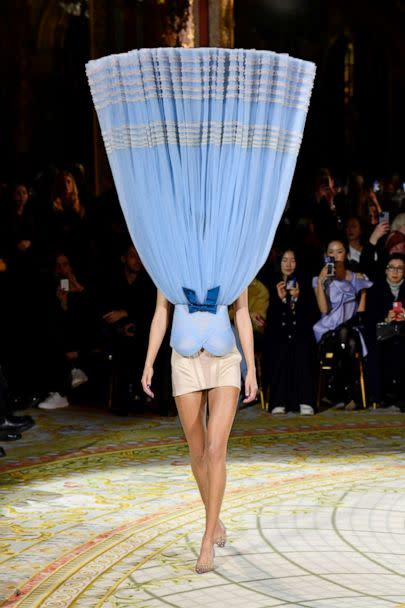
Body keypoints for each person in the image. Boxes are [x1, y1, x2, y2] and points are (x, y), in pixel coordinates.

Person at [141, 288, 257, 573]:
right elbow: (161, 312)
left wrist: (251, 368)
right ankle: (214, 517)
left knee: (217, 450)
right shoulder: (174, 262)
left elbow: (241, 312)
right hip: (184, 359)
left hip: (225, 358)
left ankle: (207, 539)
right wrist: (148, 362)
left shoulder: (227, 263)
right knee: (199, 452)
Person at [313, 240, 372, 409]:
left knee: (348, 338)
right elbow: (323, 309)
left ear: (345, 254)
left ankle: (336, 390)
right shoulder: (319, 279)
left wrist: (362, 290)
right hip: (328, 328)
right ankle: (349, 394)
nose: (334, 255)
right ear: (326, 256)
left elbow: (361, 312)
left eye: (339, 251)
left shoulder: (356, 277)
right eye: (330, 252)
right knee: (346, 341)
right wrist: (320, 284)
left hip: (351, 326)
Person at [263, 249, 316, 415]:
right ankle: (278, 400)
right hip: (278, 334)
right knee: (280, 348)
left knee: (302, 348)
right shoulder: (271, 283)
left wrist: (297, 298)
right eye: (284, 260)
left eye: (292, 260)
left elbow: (311, 315)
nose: (288, 264)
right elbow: (270, 318)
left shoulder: (305, 283)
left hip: (300, 333)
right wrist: (282, 299)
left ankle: (305, 400)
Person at [364, 253, 405, 409]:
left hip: (403, 330)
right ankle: (379, 395)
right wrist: (386, 318)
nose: (395, 272)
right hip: (382, 329)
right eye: (391, 268)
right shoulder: (376, 289)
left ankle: (401, 395)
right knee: (379, 346)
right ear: (386, 270)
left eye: (400, 269)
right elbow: (369, 317)